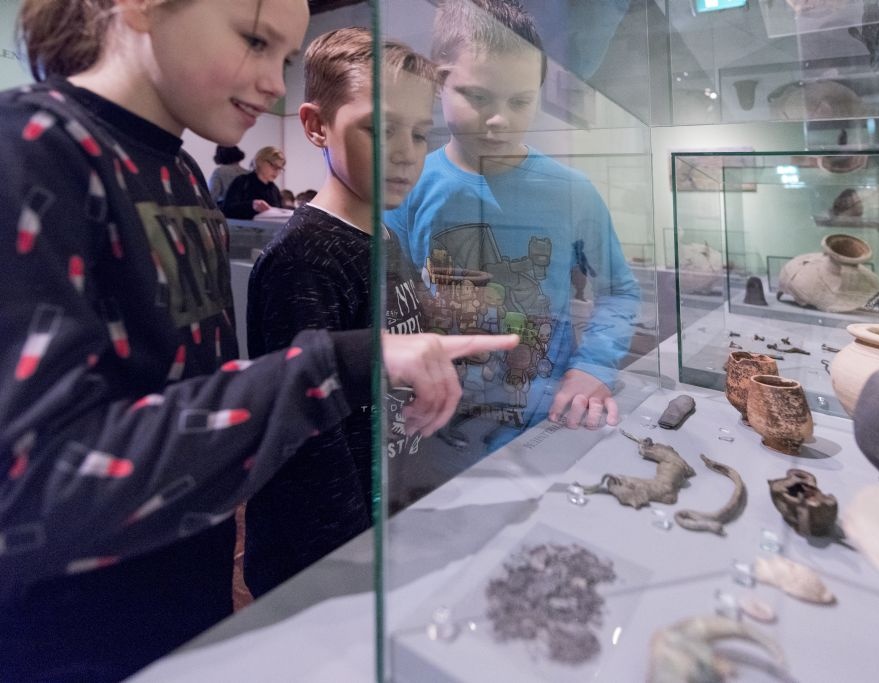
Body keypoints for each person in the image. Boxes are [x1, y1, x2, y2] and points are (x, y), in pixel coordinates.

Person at [0, 1, 515, 679]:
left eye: (285, 57)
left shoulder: (180, 174)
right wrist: (335, 367)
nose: (274, 81)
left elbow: (203, 406)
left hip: (190, 598)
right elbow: (34, 483)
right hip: (73, 640)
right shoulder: (32, 143)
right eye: (253, 41)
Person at [243, 28, 446, 597]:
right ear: (315, 126)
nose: (406, 151)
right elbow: (309, 440)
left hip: (391, 514)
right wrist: (356, 564)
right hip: (329, 559)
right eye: (380, 128)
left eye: (421, 133)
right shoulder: (304, 259)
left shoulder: (384, 233)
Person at [386, 0, 640, 451]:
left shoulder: (573, 191)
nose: (500, 118)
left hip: (544, 418)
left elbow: (618, 289)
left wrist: (593, 367)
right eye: (478, 96)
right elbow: (391, 299)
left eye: (520, 100)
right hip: (433, 422)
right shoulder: (407, 187)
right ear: (441, 83)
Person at [221, 144, 285, 219]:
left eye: (280, 168)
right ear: (260, 161)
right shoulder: (242, 182)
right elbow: (227, 210)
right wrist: (251, 205)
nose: (277, 171)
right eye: (274, 166)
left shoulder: (274, 189)